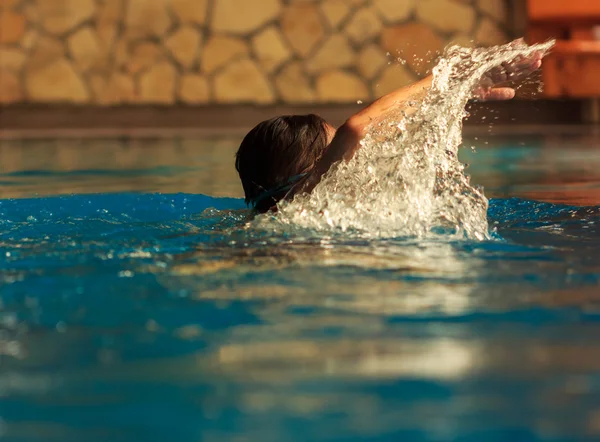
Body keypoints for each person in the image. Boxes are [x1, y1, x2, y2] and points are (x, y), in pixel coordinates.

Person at [235, 44, 543, 213]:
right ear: (305, 167)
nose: (353, 160)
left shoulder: (264, 217)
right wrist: (452, 77)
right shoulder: (298, 200)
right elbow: (356, 129)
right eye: (335, 153)